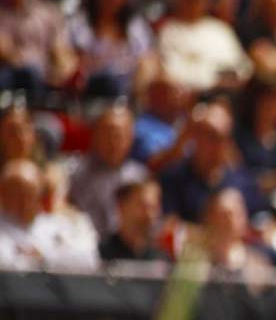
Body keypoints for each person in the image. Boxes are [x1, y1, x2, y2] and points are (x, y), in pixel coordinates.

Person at [159, 102, 268, 224]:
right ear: (195, 137)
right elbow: (168, 226)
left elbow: (262, 218)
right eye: (208, 135)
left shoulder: (240, 181)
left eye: (221, 138)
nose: (215, 145)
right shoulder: (174, 179)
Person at [157, 0, 253, 93]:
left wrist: (232, 77)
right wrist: (213, 80)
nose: (196, 2)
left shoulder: (220, 29)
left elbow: (243, 67)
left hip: (230, 97)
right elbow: (174, 72)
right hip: (195, 98)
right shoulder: (170, 31)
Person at [0, 0, 76, 101]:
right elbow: (7, 54)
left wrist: (62, 69)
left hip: (43, 88)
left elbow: (63, 54)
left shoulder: (47, 11)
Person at [68, 0, 157, 98]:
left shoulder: (135, 27)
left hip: (127, 92)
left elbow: (146, 60)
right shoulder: (80, 24)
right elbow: (73, 61)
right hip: (89, 90)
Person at [0, 158, 98, 271]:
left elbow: (89, 260)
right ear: (2, 193)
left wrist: (44, 255)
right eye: (18, 194)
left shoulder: (57, 225)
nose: (25, 201)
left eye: (31, 193)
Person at [67, 105, 148, 236]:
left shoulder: (139, 177)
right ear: (95, 135)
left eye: (120, 135)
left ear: (130, 138)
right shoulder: (74, 172)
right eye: (108, 134)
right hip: (84, 245)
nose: (113, 142)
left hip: (123, 250)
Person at [99, 177, 167, 261]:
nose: (149, 214)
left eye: (153, 207)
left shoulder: (160, 260)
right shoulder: (98, 256)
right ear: (121, 206)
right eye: (142, 206)